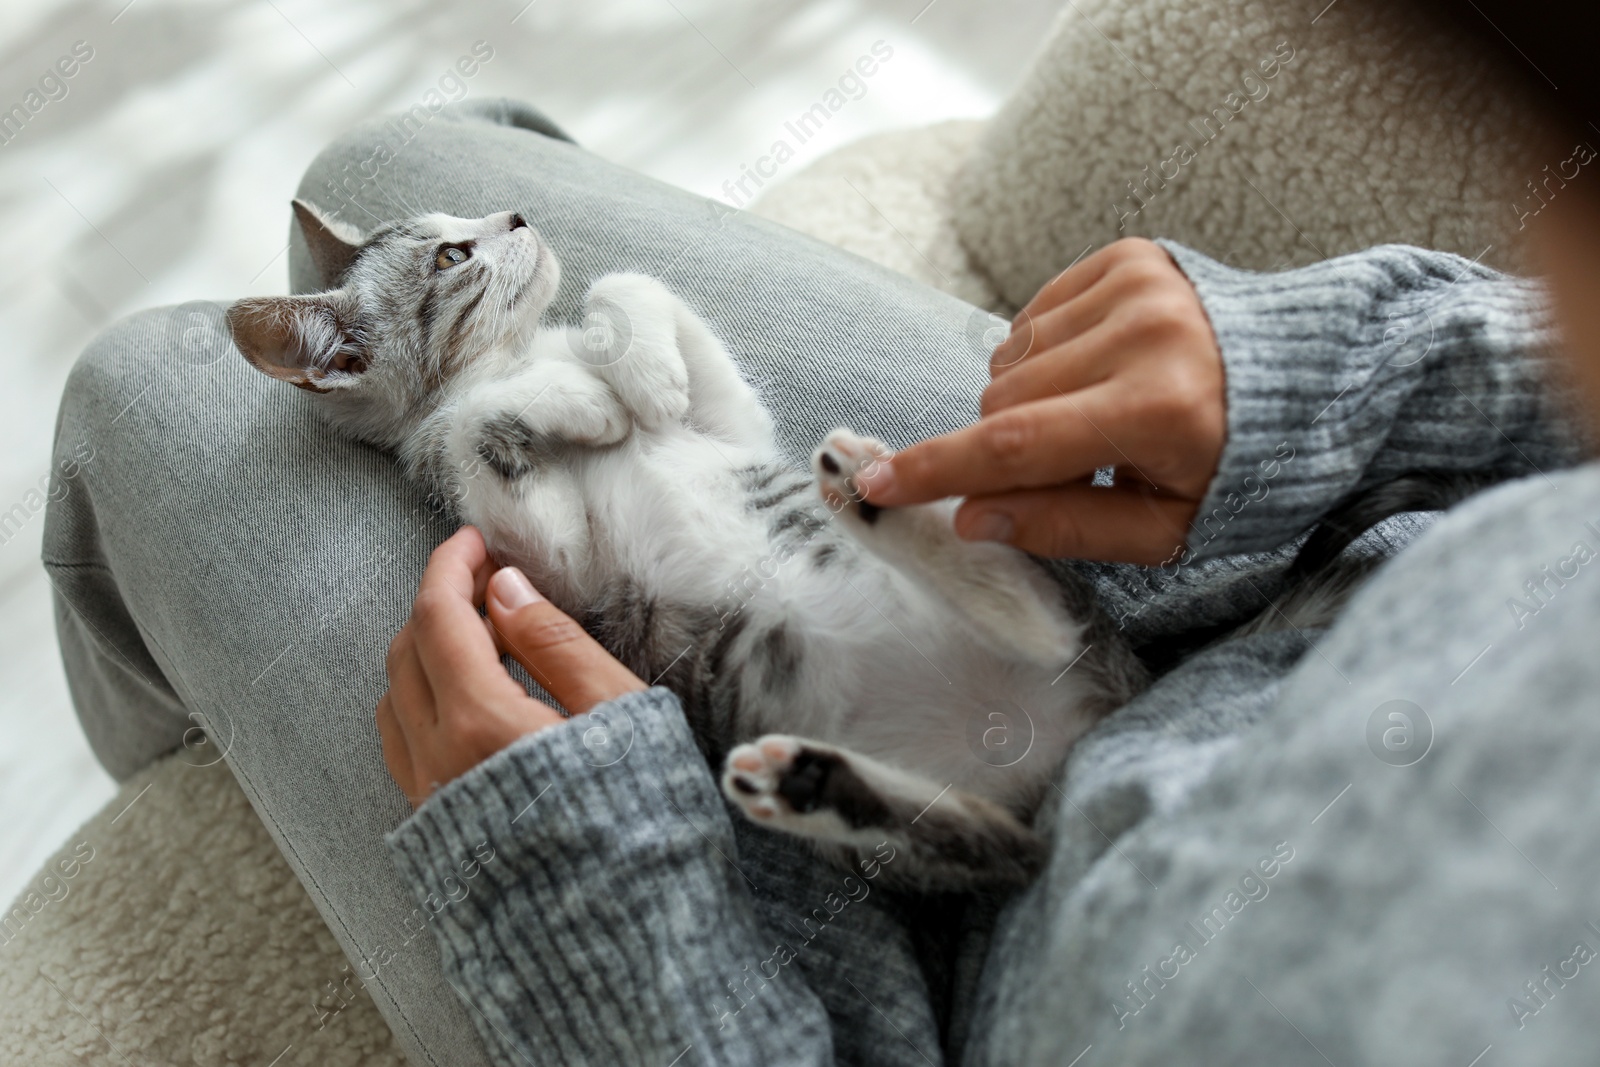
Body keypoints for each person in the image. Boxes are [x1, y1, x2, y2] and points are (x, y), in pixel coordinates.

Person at [45, 6, 1599, 1067]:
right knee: (388, 170)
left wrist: (599, 886)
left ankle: (185, 737)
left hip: (898, 927)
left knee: (149, 389)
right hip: (1223, 589)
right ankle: (222, 727)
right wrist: (1343, 376)